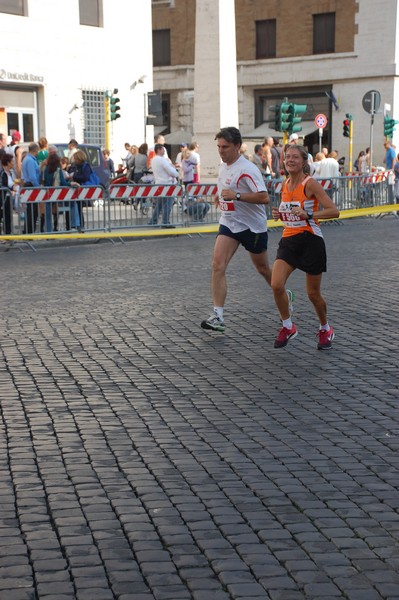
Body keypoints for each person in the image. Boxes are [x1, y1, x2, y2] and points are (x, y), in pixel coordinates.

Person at [201, 126, 293, 333]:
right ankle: (218, 316)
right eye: (219, 147)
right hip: (230, 222)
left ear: (237, 146)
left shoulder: (248, 169)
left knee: (262, 269)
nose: (221, 151)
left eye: (225, 147)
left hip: (252, 226)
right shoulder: (223, 166)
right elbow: (226, 188)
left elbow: (264, 198)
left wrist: (238, 196)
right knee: (217, 265)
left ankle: (283, 294)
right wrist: (220, 196)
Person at [271, 144, 340, 350]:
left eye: (295, 157)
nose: (290, 160)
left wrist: (309, 215)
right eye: (287, 157)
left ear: (303, 162)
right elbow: (291, 213)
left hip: (311, 240)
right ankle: (288, 326)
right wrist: (280, 215)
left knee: (313, 294)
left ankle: (325, 328)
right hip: (289, 239)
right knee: (276, 284)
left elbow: (333, 211)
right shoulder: (284, 184)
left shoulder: (310, 184)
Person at [148, 143, 179, 227]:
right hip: (167, 184)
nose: (164, 151)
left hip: (159, 183)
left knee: (160, 204)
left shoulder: (153, 160)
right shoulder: (162, 160)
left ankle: (153, 220)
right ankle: (165, 222)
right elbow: (170, 171)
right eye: (163, 149)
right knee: (168, 204)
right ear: (159, 150)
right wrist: (176, 173)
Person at [21, 142, 41, 233]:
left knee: (30, 210)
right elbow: (32, 176)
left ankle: (28, 230)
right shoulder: (30, 160)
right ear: (35, 150)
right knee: (33, 211)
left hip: (28, 185)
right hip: (31, 186)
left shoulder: (27, 159)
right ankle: (29, 231)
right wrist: (38, 186)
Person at [0, 152, 17, 234]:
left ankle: (8, 234)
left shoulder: (10, 173)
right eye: (12, 161)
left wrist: (13, 188)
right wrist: (10, 190)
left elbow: (10, 184)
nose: (13, 163)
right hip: (2, 199)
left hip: (9, 199)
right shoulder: (2, 173)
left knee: (8, 217)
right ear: (7, 163)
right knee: (2, 217)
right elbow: (2, 186)